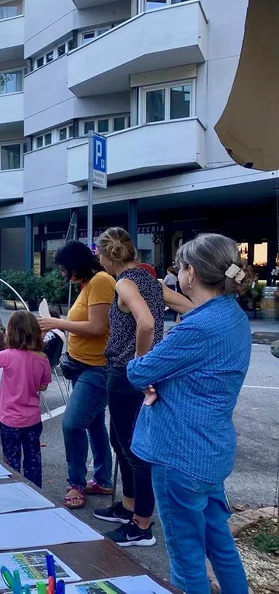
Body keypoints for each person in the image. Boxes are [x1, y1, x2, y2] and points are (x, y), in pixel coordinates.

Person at [127, 234, 250, 593]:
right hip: (210, 450)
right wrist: (159, 377)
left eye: (179, 267)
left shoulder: (199, 325)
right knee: (220, 545)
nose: (177, 274)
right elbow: (197, 372)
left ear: (190, 273)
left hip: (179, 453)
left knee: (186, 558)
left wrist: (148, 371)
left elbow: (138, 372)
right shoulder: (233, 316)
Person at [94, 228, 193, 547]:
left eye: (99, 256)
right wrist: (166, 347)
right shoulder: (150, 281)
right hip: (132, 374)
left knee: (135, 448)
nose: (99, 261)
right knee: (122, 441)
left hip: (126, 374)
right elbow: (191, 308)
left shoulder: (124, 282)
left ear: (108, 256)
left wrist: (140, 361)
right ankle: (128, 507)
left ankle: (141, 526)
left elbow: (147, 322)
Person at [37, 241, 113, 509]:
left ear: (75, 264)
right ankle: (103, 479)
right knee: (93, 423)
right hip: (82, 366)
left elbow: (96, 327)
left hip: (97, 368)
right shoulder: (87, 286)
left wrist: (56, 323)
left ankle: (76, 484)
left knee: (72, 423)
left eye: (63, 268)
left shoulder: (102, 281)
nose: (62, 273)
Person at [0, 312, 51, 487]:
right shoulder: (43, 358)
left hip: (10, 419)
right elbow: (43, 386)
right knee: (33, 458)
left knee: (11, 459)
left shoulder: (7, 355)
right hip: (33, 419)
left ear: (11, 333)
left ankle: (14, 491)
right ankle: (36, 491)